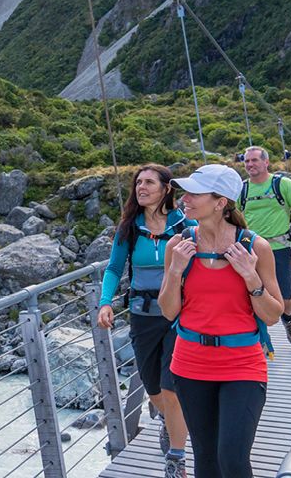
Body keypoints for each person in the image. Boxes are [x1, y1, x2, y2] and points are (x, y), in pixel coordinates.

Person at [160, 164, 283, 478]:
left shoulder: (255, 247)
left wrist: (250, 276)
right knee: (206, 459)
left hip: (242, 365)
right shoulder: (178, 245)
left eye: (194, 194)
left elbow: (272, 314)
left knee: (232, 459)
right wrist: (175, 272)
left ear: (220, 202)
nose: (184, 198)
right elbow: (168, 311)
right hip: (189, 364)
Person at [96, 164, 192, 477]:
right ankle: (168, 420)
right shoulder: (129, 227)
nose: (142, 187)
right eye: (138, 182)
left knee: (172, 388)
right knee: (153, 389)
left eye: (149, 182)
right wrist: (105, 303)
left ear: (166, 188)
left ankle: (176, 458)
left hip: (178, 316)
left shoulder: (185, 225)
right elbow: (113, 269)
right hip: (142, 316)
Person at [240, 146, 291, 345]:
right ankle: (260, 337)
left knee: (286, 295)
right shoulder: (242, 189)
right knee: (249, 294)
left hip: (279, 249)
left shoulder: (283, 184)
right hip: (249, 249)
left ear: (266, 162)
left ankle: (288, 320)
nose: (250, 165)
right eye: (246, 161)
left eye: (254, 160)